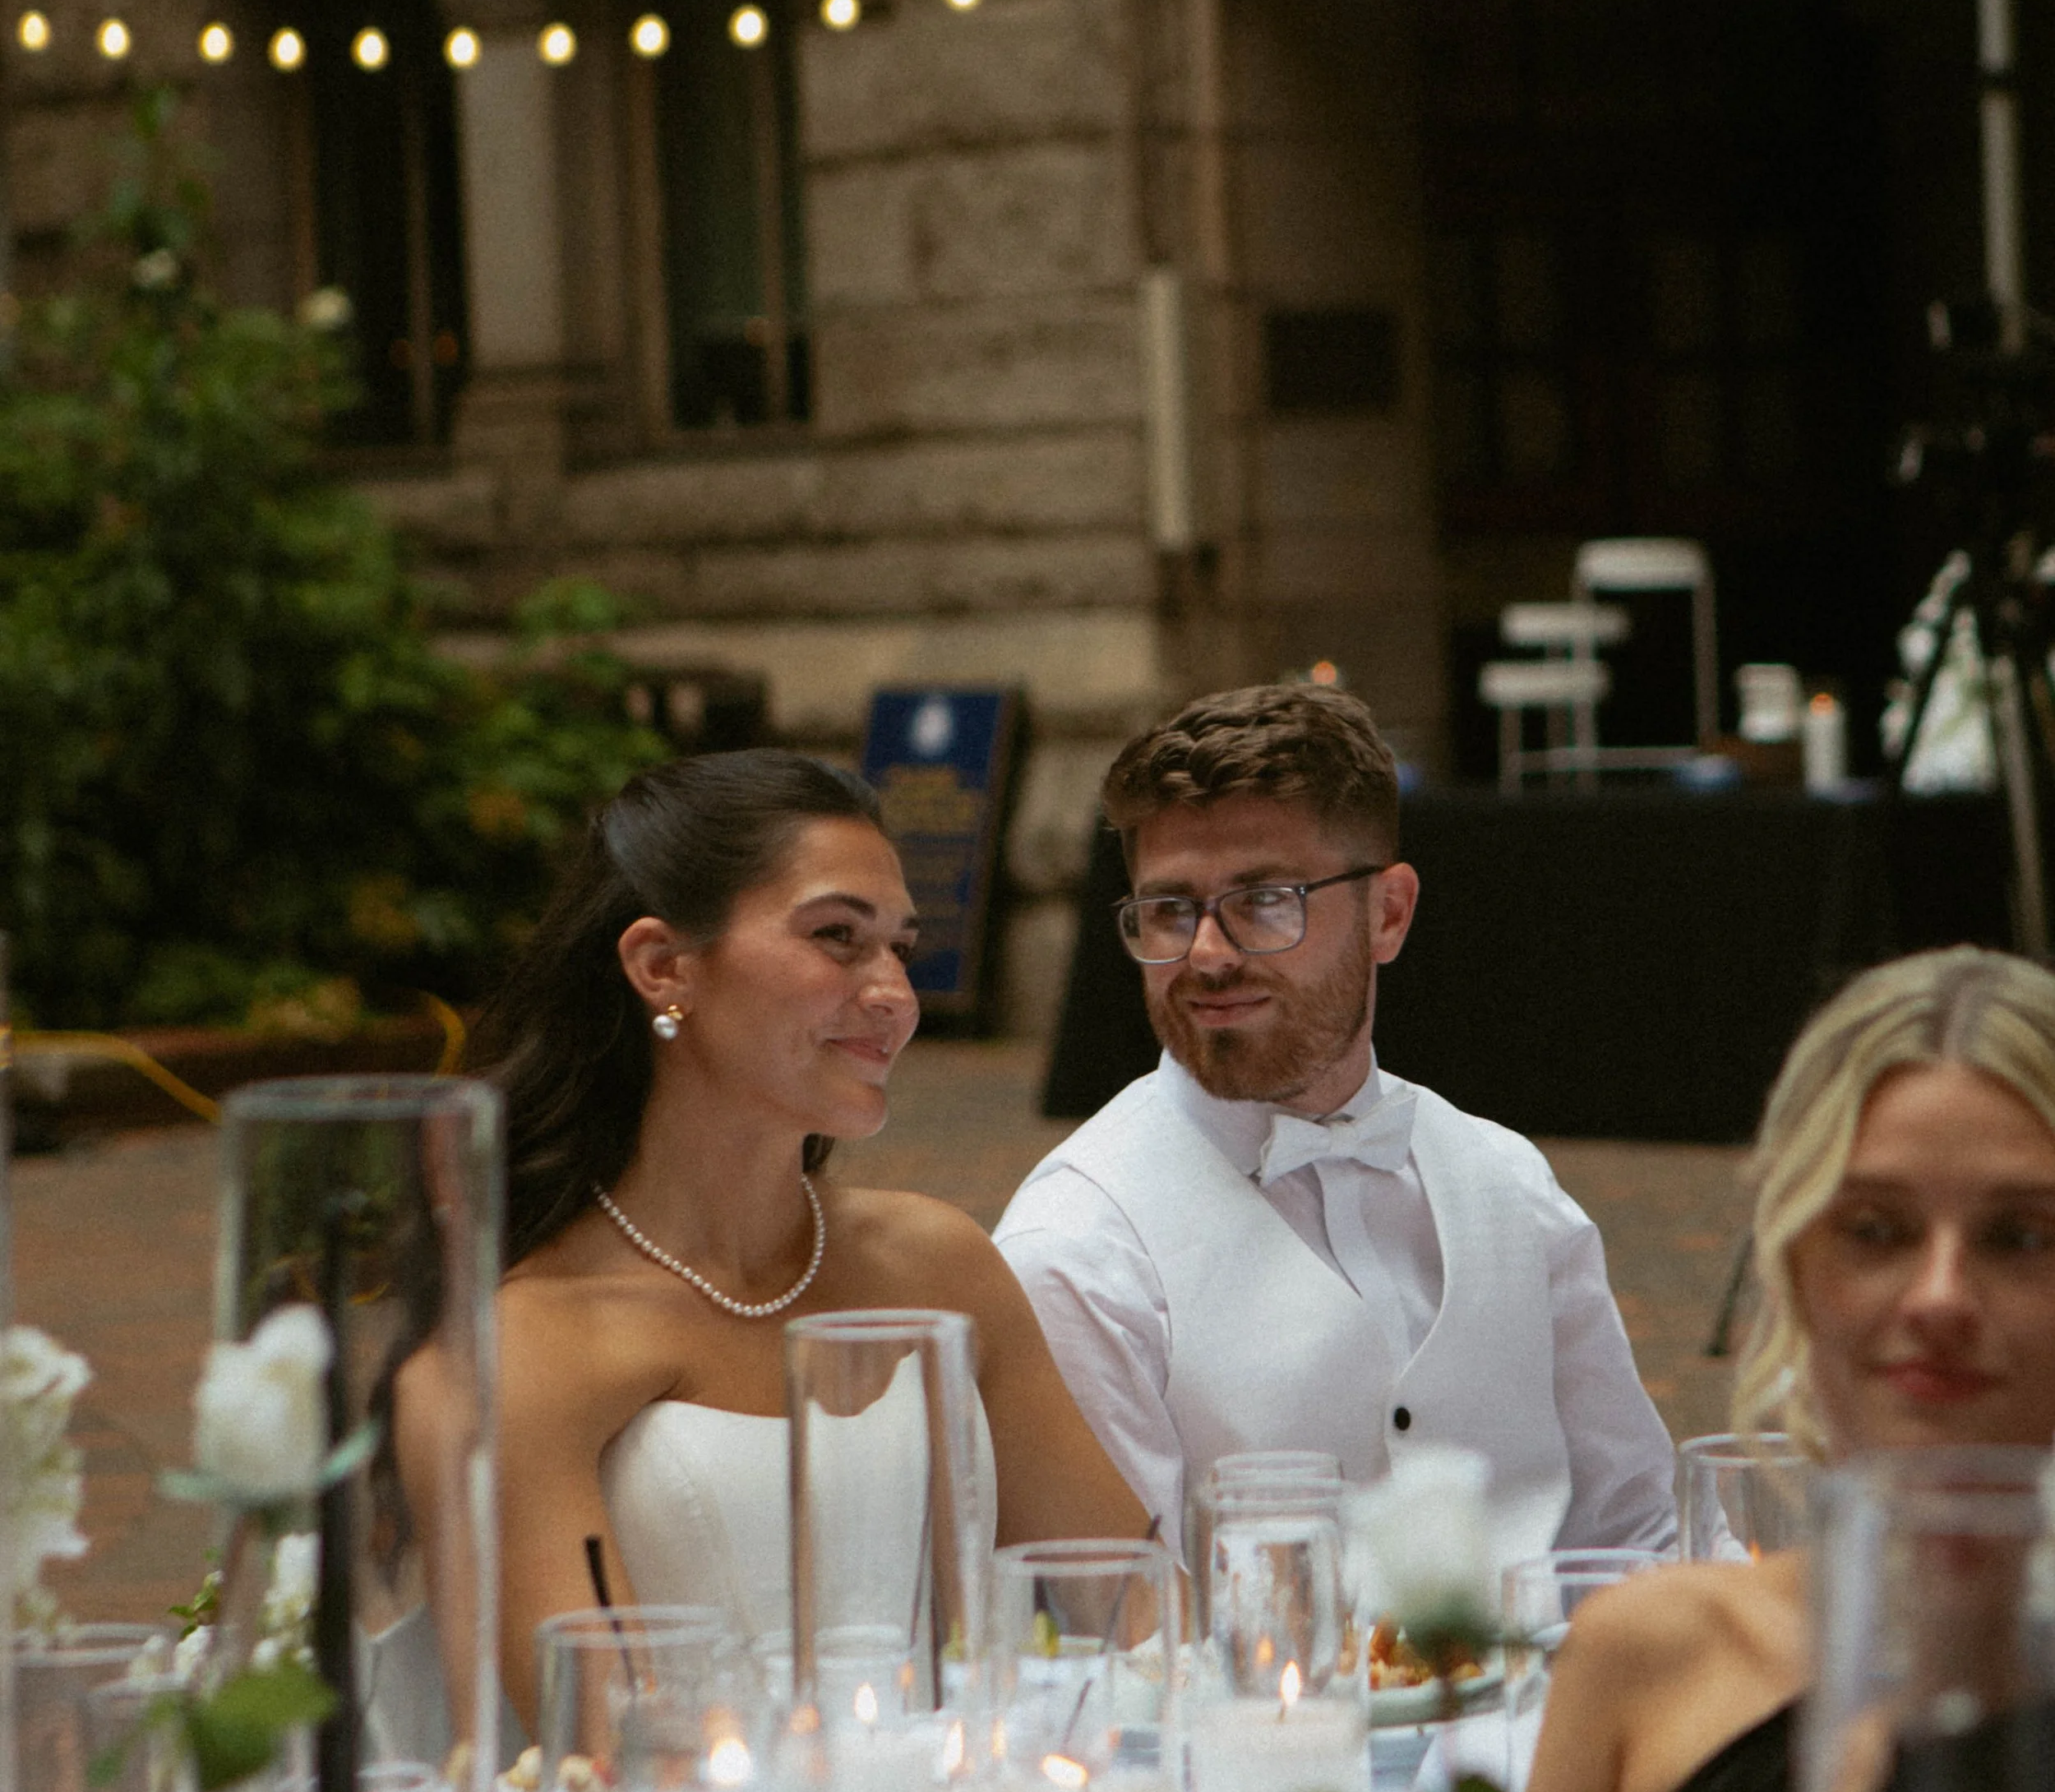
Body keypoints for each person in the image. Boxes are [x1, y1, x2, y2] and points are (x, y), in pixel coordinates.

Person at [1476, 942, 2055, 1792]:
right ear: (1797, 1258)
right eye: (1878, 1227)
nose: (1939, 1293)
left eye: (2019, 1237)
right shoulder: (1653, 1659)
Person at [441, 750, 1148, 1730]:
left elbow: (1135, 1604)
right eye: (836, 938)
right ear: (662, 967)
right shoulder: (532, 1339)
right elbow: (604, 1747)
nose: (894, 993)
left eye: (900, 947)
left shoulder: (934, 1264)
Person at [993, 682, 1676, 1566]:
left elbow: (1639, 1536)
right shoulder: (1077, 1250)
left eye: (1264, 900)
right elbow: (1126, 1637)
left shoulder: (1508, 1186)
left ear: (1388, 912)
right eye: (1169, 909)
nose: (1206, 952)